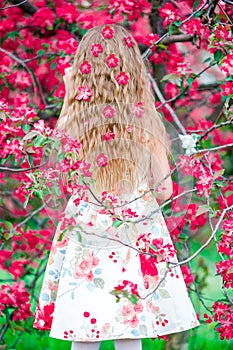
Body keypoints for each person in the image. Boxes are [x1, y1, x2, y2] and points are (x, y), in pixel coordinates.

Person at [33, 24, 200, 350]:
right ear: (132, 71)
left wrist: (70, 99)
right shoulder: (144, 120)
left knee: (85, 329)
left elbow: (66, 180)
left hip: (87, 230)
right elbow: (164, 191)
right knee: (129, 326)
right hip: (135, 228)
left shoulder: (76, 121)